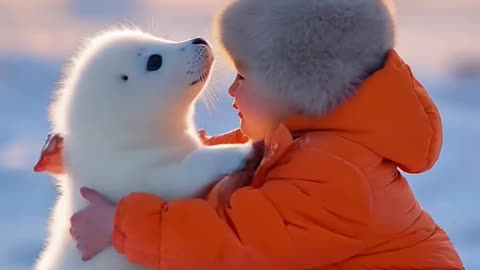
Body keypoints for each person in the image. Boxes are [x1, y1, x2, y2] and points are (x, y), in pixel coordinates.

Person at [39, 0, 465, 269]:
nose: (230, 90)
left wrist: (122, 227)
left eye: (243, 76)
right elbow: (241, 164)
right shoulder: (316, 144)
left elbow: (233, 245)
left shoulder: (335, 174)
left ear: (295, 88)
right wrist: (104, 156)